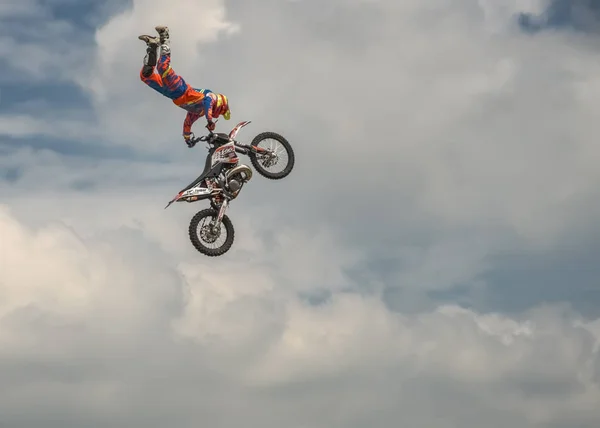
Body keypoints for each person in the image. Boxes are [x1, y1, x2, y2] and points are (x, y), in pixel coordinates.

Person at [138, 26, 231, 147]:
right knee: (163, 67)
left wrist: (187, 138)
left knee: (146, 75)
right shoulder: (209, 97)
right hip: (179, 88)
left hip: (170, 94)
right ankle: (164, 36)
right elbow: (209, 102)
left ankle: (153, 46)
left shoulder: (198, 112)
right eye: (218, 112)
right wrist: (209, 120)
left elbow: (188, 122)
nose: (215, 114)